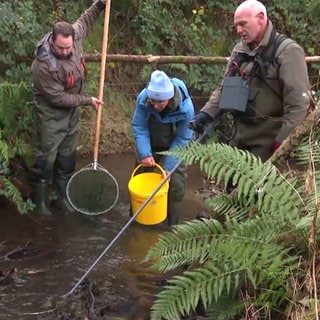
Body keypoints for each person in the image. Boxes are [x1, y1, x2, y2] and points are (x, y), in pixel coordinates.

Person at [191, 0, 310, 162]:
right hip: (238, 138)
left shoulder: (287, 51)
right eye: (236, 26)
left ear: (261, 18)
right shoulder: (240, 49)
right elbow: (226, 86)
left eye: (243, 24)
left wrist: (283, 143)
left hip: (268, 142)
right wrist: (207, 113)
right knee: (231, 186)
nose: (238, 30)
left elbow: (298, 105)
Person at [31, 0, 106, 215]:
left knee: (67, 156)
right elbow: (57, 98)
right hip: (51, 112)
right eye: (60, 48)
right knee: (46, 157)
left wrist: (100, 4)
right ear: (52, 42)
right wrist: (87, 101)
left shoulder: (75, 34)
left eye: (69, 47)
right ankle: (40, 202)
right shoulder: (43, 65)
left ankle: (60, 197)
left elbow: (86, 18)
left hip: (71, 112)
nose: (65, 51)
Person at [132, 70, 195, 226]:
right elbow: (139, 126)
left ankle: (171, 224)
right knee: (141, 178)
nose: (156, 105)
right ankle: (138, 221)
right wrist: (145, 153)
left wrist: (168, 166)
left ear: (170, 97)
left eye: (161, 102)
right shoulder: (143, 99)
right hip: (150, 142)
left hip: (176, 145)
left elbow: (183, 138)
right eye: (153, 101)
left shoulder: (186, 108)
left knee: (176, 185)